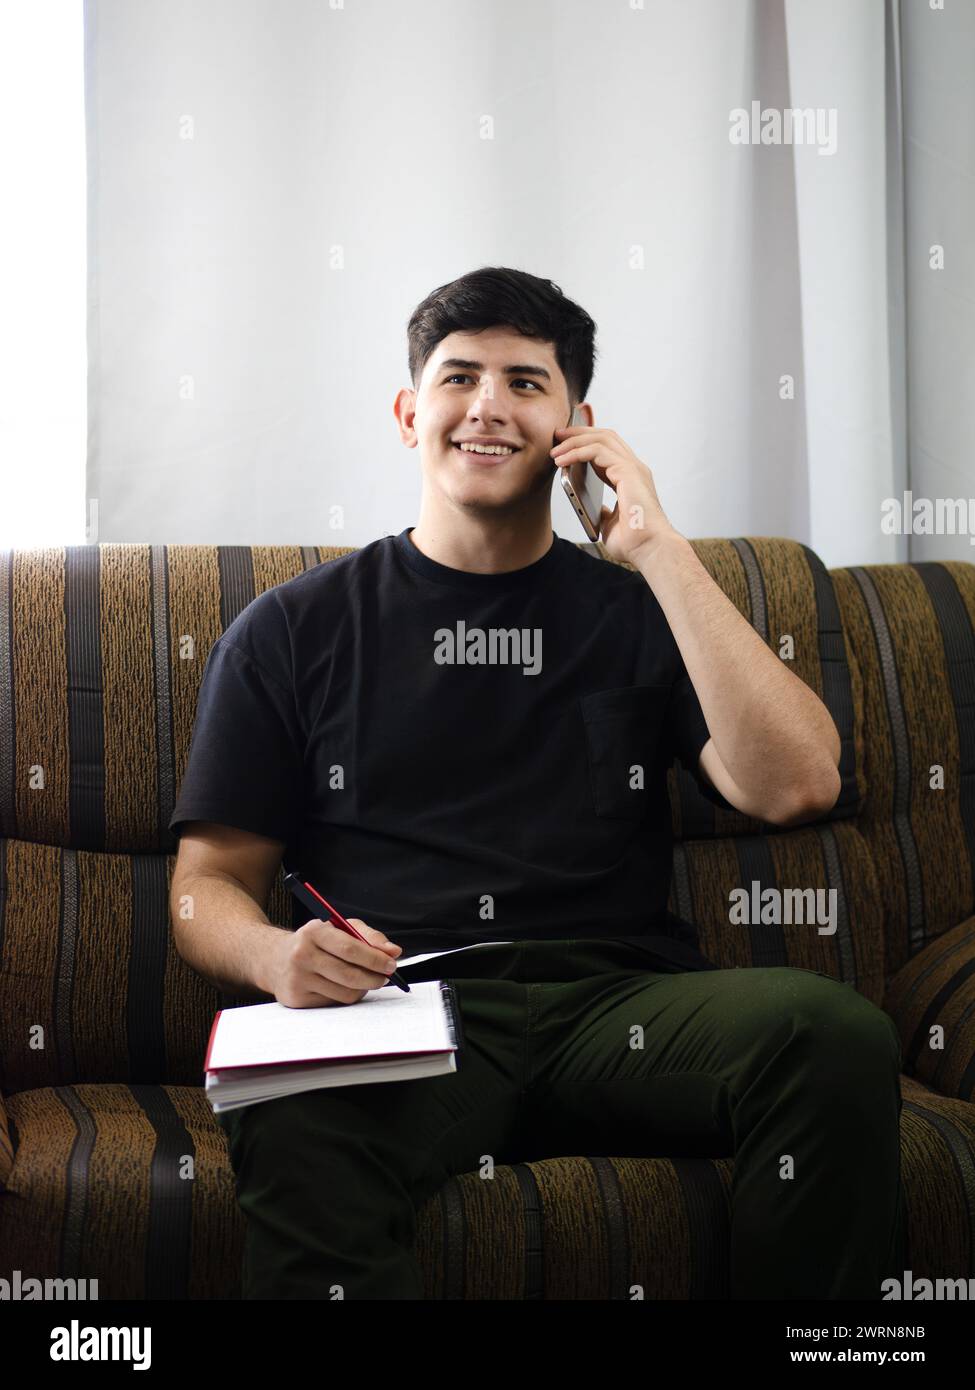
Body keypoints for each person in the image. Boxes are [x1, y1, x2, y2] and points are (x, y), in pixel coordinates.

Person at [169, 265, 904, 1300]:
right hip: (409, 1012)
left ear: (577, 425)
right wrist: (274, 954)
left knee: (831, 1034)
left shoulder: (645, 610)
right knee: (295, 1106)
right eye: (459, 376)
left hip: (623, 1007)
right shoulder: (293, 631)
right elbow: (203, 885)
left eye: (526, 382)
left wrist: (656, 547)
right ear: (408, 410)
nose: (487, 406)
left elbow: (799, 786)